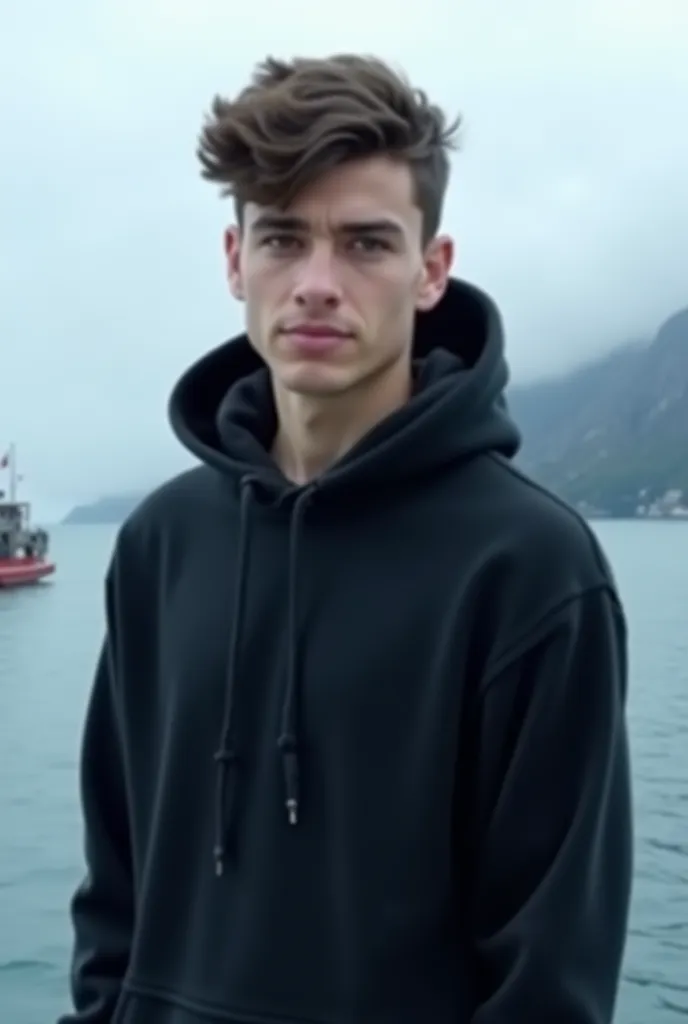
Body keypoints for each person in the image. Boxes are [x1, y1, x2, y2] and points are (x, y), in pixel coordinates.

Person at [59, 54, 633, 1024]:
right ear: (236, 259)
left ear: (430, 270)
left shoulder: (532, 568)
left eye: (366, 244)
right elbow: (113, 884)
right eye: (283, 237)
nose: (317, 283)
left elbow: (551, 977)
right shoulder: (162, 544)